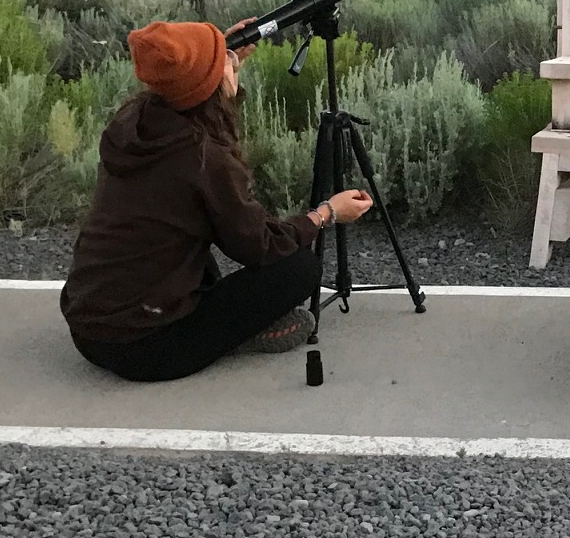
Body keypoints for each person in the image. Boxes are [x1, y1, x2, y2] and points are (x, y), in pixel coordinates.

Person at [61, 19, 373, 382]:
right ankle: (230, 337)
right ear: (208, 84)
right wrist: (326, 213)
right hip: (146, 348)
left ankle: (212, 327)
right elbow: (260, 246)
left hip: (86, 330)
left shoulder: (133, 122)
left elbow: (190, 92)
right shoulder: (203, 160)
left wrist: (212, 60)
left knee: (182, 239)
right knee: (300, 269)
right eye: (220, 59)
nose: (230, 60)